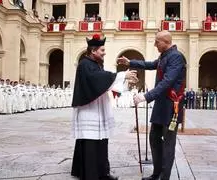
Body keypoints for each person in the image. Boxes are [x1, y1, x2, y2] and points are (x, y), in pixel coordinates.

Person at [117, 30, 185, 180]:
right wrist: (130, 63)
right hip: (161, 106)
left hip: (171, 108)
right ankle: (156, 173)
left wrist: (146, 96)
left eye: (157, 42)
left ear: (166, 42)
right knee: (154, 137)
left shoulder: (176, 57)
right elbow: (151, 64)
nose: (154, 44)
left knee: (168, 143)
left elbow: (167, 82)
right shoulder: (165, 56)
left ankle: (164, 177)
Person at [70, 33, 138, 180]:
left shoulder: (95, 64)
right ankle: (91, 174)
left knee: (101, 142)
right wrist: (122, 75)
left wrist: (126, 83)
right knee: (90, 143)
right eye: (102, 50)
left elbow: (104, 83)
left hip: (98, 109)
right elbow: (97, 79)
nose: (104, 53)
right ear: (93, 51)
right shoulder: (84, 64)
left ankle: (102, 172)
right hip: (89, 110)